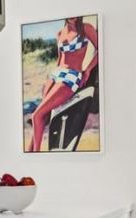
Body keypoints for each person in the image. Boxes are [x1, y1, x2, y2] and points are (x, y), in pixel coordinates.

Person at [29, 16, 98, 152]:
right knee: (42, 115)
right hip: (56, 75)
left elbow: (100, 49)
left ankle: (35, 155)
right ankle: (30, 150)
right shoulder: (60, 33)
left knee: (36, 115)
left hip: (72, 75)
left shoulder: (86, 28)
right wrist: (51, 78)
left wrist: (88, 69)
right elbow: (60, 59)